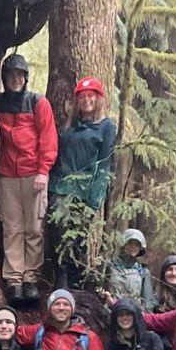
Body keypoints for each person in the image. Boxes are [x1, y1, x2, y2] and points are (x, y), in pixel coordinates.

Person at [0, 54, 58, 303]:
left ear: (26, 78)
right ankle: (14, 280)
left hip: (33, 174)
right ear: (4, 78)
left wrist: (43, 171)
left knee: (34, 228)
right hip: (7, 174)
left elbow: (48, 138)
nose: (16, 79)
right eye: (11, 75)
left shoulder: (38, 103)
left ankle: (31, 279)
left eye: (20, 75)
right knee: (12, 228)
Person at [48, 76, 116, 289]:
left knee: (78, 237)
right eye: (83, 97)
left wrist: (95, 199)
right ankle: (59, 278)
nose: (87, 100)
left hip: (84, 192)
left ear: (98, 99)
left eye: (91, 96)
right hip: (60, 187)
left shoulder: (105, 127)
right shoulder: (71, 126)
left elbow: (104, 165)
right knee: (57, 231)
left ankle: (75, 281)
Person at [105, 230, 157, 312]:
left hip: (134, 315)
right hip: (111, 312)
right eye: (130, 243)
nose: (133, 246)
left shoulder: (143, 272)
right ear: (123, 245)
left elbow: (148, 302)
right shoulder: (110, 266)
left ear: (140, 248)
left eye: (136, 244)